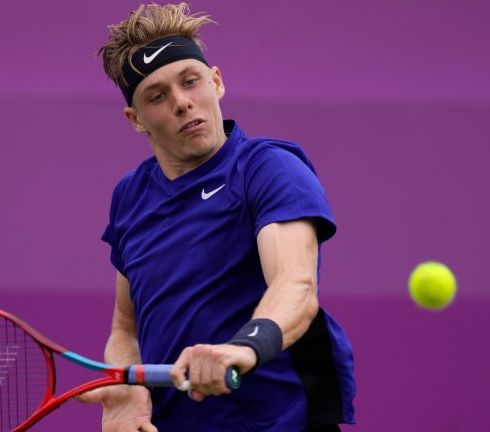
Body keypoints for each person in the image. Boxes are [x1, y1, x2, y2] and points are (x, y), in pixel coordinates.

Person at [80, 3, 356, 431]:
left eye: (190, 81)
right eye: (157, 96)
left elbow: (295, 286)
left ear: (216, 82)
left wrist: (243, 348)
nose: (182, 102)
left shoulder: (268, 168)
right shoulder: (130, 197)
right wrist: (126, 389)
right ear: (135, 120)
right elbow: (126, 328)